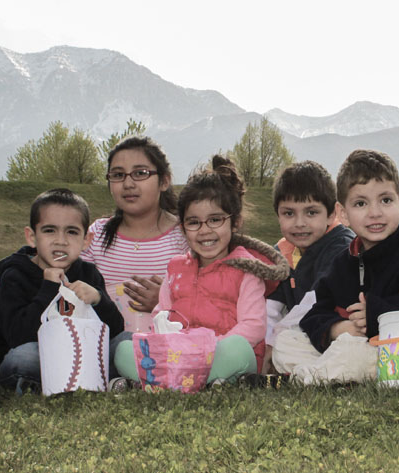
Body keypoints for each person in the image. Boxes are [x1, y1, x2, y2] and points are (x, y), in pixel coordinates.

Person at [114, 155, 289, 386]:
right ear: (183, 228)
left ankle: (169, 381)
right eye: (194, 222)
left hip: (220, 354)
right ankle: (194, 382)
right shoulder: (176, 268)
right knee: (124, 350)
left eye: (215, 220)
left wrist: (209, 349)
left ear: (234, 222)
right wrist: (166, 333)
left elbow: (254, 326)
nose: (205, 231)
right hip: (179, 355)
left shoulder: (246, 270)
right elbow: (161, 312)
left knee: (238, 350)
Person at [300, 149, 399, 354]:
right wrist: (338, 329)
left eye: (385, 200)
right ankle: (323, 367)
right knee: (289, 341)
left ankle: (326, 370)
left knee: (356, 357)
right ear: (343, 214)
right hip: (352, 343)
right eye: (361, 204)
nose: (375, 213)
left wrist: (377, 313)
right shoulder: (342, 263)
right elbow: (315, 313)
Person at [0, 189, 125, 393]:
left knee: (126, 342)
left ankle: (109, 381)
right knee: (24, 356)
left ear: (86, 240)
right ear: (32, 237)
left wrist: (98, 299)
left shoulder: (88, 273)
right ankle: (35, 386)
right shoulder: (15, 276)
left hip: (81, 358)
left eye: (71, 231)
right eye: (50, 230)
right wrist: (49, 289)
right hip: (35, 357)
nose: (61, 240)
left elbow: (114, 330)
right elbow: (18, 337)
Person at [81, 136, 188, 321]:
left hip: (169, 347)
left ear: (164, 181)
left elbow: (207, 298)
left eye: (140, 173)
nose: (128, 184)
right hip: (104, 345)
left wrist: (166, 301)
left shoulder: (185, 236)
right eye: (118, 175)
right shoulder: (96, 235)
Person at [266, 161, 355, 373]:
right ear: (277, 214)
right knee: (281, 345)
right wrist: (267, 344)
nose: (299, 223)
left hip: (341, 330)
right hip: (302, 335)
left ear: (332, 214)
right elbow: (271, 306)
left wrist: (278, 335)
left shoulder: (342, 246)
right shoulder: (281, 252)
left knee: (350, 349)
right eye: (289, 213)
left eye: (311, 213)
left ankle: (320, 372)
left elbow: (313, 302)